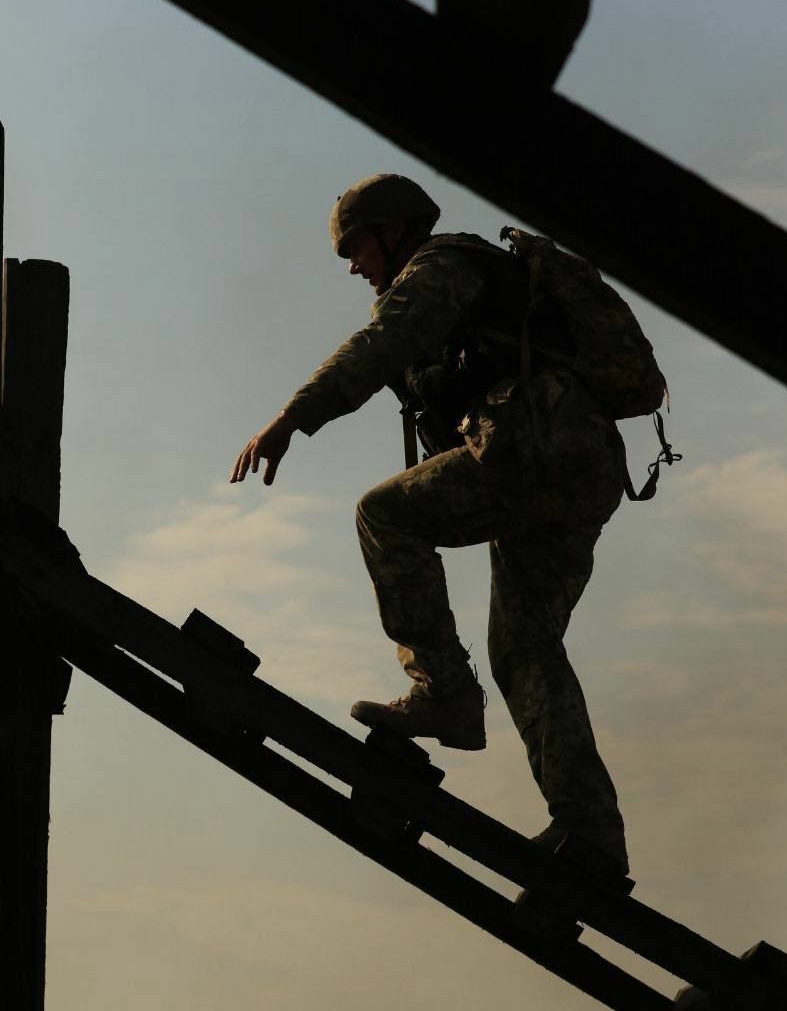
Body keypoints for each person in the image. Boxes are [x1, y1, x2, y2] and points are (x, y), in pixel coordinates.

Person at [230, 173, 633, 873]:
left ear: (395, 230)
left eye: (357, 248)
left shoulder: (442, 266)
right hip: (578, 462)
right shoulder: (481, 282)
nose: (355, 267)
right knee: (525, 649)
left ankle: (443, 692)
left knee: (383, 515)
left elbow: (383, 341)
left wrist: (294, 417)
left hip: (532, 446)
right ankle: (589, 835)